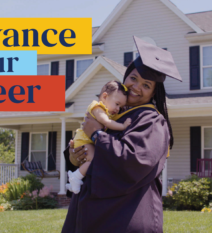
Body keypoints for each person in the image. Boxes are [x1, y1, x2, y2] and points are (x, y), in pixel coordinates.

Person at [62, 36, 182, 233]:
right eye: (133, 78)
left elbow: (134, 161)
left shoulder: (151, 121)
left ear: (153, 93)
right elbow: (92, 157)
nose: (136, 87)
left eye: (146, 85)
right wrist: (75, 156)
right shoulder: (112, 112)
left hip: (125, 215)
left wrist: (97, 135)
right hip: (92, 212)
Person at [67, 80, 132, 194]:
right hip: (83, 141)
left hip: (87, 141)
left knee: (92, 161)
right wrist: (123, 126)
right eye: (117, 104)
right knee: (93, 160)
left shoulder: (107, 111)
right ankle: (75, 177)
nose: (117, 109)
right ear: (105, 96)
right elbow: (106, 122)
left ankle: (74, 181)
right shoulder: (97, 107)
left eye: (121, 107)